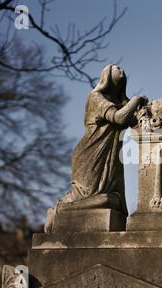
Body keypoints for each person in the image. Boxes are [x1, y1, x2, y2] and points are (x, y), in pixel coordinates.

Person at [44, 64, 147, 232]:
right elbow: (119, 118)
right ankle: (57, 212)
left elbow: (135, 123)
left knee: (113, 200)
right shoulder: (95, 97)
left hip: (111, 157)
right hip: (91, 153)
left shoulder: (122, 102)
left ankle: (62, 211)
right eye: (116, 67)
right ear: (105, 75)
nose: (121, 69)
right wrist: (136, 101)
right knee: (87, 195)